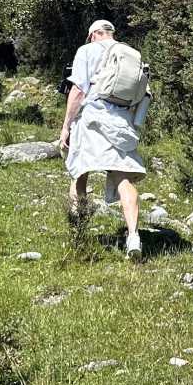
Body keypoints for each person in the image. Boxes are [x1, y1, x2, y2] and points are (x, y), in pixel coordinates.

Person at [58, 19, 150, 256]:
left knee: (80, 172)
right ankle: (133, 237)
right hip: (121, 121)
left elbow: (78, 90)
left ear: (94, 34)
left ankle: (79, 232)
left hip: (92, 118)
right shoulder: (131, 53)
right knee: (123, 177)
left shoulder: (86, 51)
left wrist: (66, 126)